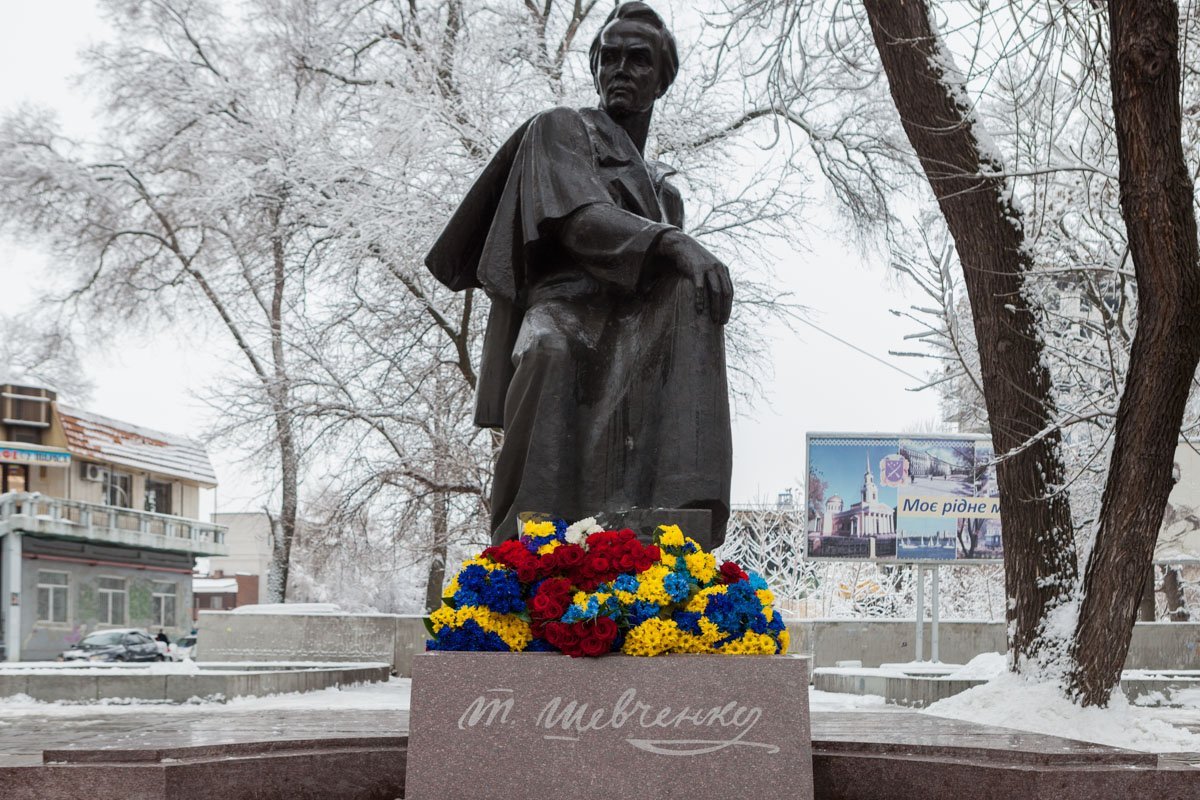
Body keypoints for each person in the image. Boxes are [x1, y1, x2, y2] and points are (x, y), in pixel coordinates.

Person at [425, 2, 733, 547]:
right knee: (549, 347)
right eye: (609, 57)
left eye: (638, 60)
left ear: (662, 81)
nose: (620, 68)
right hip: (566, 310)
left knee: (695, 288)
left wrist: (675, 243)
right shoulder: (562, 128)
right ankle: (527, 546)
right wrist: (671, 241)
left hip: (635, 328)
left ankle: (680, 519)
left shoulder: (665, 196)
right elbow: (579, 221)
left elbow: (665, 285)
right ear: (594, 69)